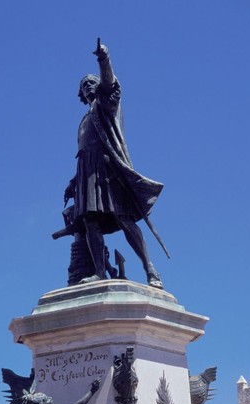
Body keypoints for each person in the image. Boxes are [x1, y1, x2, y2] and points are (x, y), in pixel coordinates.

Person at [64, 39, 164, 288]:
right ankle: (98, 272)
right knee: (90, 222)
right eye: (83, 85)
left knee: (123, 218)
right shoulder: (84, 120)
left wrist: (103, 60)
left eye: (91, 82)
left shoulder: (106, 105)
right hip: (87, 173)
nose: (88, 87)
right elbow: (84, 152)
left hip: (109, 169)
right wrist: (73, 183)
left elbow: (110, 84)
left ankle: (150, 269)